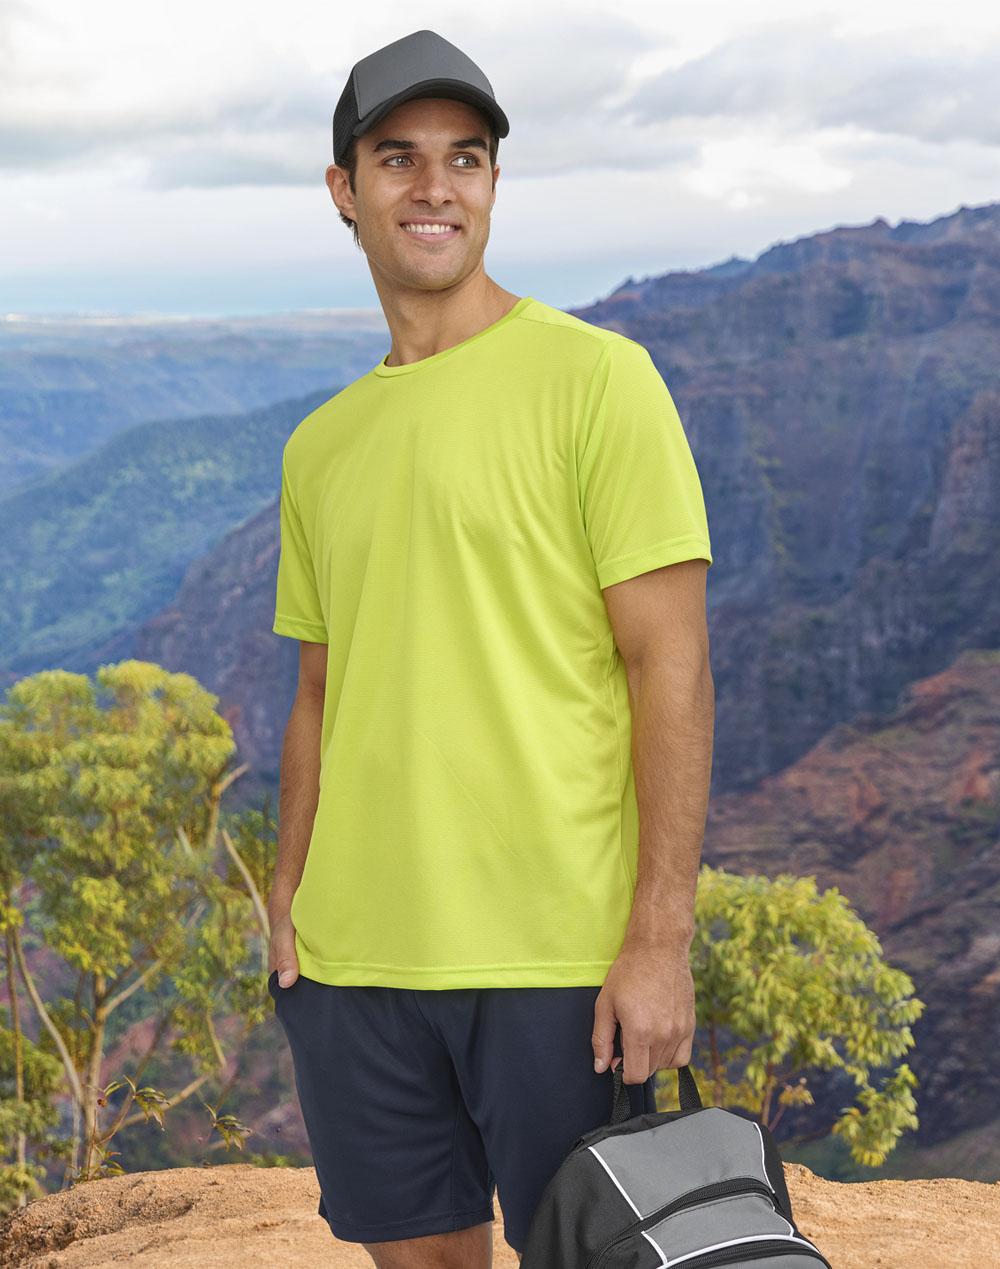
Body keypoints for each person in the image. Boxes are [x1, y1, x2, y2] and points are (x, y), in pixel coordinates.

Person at [266, 27, 715, 1269]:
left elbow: (669, 667)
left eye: (464, 158)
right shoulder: (320, 445)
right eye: (397, 158)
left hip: (554, 961)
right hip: (354, 967)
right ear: (344, 190)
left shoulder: (598, 380)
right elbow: (317, 689)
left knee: (586, 1256)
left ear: (493, 184)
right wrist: (288, 897)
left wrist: (658, 937)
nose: (435, 187)